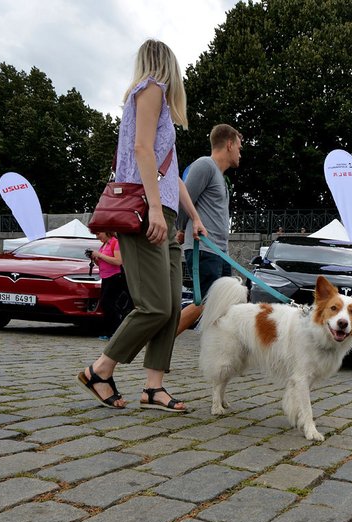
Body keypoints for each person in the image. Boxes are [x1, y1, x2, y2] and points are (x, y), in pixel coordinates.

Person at [75, 39, 207, 413]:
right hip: (145, 211)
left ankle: (153, 388)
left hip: (162, 211)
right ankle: (100, 370)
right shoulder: (152, 87)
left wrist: (194, 219)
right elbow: (141, 150)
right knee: (152, 305)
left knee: (169, 307)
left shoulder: (160, 100)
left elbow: (171, 173)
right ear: (167, 63)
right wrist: (152, 209)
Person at [176, 123, 242, 335]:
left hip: (220, 253)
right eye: (239, 147)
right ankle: (159, 344)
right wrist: (179, 229)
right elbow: (185, 198)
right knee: (205, 302)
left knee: (223, 307)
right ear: (229, 144)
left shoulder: (221, 178)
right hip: (203, 249)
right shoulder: (204, 165)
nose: (240, 152)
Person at [90, 232, 131, 340]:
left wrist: (99, 255)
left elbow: (118, 261)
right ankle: (111, 331)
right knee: (106, 304)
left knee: (108, 304)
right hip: (105, 277)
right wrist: (95, 259)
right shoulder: (104, 245)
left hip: (115, 277)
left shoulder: (115, 242)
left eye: (98, 234)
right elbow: (103, 262)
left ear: (105, 231)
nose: (97, 237)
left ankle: (116, 330)